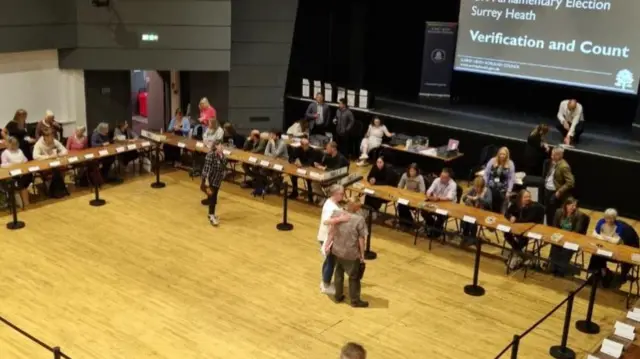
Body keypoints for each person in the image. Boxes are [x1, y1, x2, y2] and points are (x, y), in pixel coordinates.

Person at [328, 199, 369, 308]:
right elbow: (361, 239)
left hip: (337, 250)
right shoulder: (359, 220)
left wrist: (328, 244)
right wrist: (362, 255)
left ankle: (338, 295)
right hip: (351, 253)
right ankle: (355, 301)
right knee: (354, 277)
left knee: (338, 273)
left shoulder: (336, 213)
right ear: (357, 208)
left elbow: (331, 229)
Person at [317, 184, 351, 294]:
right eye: (342, 194)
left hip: (328, 236)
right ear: (335, 194)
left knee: (328, 261)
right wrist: (341, 218)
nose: (343, 195)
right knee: (331, 262)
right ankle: (326, 285)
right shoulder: (330, 207)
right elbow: (326, 221)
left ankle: (324, 281)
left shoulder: (331, 202)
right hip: (327, 238)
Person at [547, 197, 585, 276]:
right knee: (555, 246)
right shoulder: (558, 212)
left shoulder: (579, 215)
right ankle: (553, 267)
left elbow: (577, 231)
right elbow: (554, 227)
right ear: (566, 205)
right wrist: (558, 236)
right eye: (572, 206)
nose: (574, 208)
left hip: (571, 239)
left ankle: (561, 269)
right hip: (559, 236)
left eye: (575, 206)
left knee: (566, 250)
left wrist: (566, 238)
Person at [588, 208, 624, 287]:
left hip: (613, 250)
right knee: (596, 255)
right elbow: (594, 234)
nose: (608, 220)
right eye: (607, 218)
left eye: (611, 218)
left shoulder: (619, 226)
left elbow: (616, 241)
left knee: (598, 257)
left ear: (614, 218)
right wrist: (607, 238)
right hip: (602, 246)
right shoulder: (601, 221)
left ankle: (601, 274)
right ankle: (601, 273)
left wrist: (603, 237)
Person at [504, 190, 539, 269]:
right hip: (515, 228)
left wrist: (515, 220)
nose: (528, 199)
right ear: (520, 198)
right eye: (526, 197)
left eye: (529, 197)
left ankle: (516, 255)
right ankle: (523, 256)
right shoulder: (515, 204)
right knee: (506, 234)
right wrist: (510, 217)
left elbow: (528, 220)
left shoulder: (533, 207)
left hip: (527, 230)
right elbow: (506, 213)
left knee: (522, 240)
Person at [33, 128, 69, 198]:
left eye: (53, 136)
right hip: (45, 165)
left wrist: (59, 154)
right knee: (54, 171)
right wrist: (49, 157)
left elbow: (65, 150)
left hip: (55, 164)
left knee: (62, 168)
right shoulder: (39, 144)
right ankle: (54, 189)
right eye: (50, 137)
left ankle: (58, 188)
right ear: (45, 137)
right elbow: (35, 156)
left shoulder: (54, 141)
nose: (52, 138)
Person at [544, 147, 574, 226]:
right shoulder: (553, 162)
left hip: (555, 192)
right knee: (548, 212)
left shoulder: (564, 166)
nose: (552, 157)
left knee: (553, 213)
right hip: (547, 189)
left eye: (554, 155)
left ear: (560, 155)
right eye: (552, 155)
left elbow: (570, 182)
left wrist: (559, 191)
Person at [424, 168, 457, 238]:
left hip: (448, 206)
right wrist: (429, 195)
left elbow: (449, 198)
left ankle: (436, 232)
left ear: (449, 178)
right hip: (436, 203)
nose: (441, 178)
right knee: (423, 211)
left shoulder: (453, 184)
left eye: (444, 177)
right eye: (441, 176)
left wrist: (438, 198)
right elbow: (429, 190)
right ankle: (432, 225)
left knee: (440, 216)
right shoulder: (437, 180)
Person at [201, 140, 227, 226]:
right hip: (211, 180)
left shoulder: (222, 155)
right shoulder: (210, 155)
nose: (222, 147)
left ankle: (210, 214)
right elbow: (206, 168)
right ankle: (212, 216)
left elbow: (223, 166)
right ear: (215, 146)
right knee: (213, 198)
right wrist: (206, 181)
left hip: (218, 180)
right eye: (221, 145)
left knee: (213, 197)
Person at [1, 137, 32, 208]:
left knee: (24, 181)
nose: (14, 146)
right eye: (12, 145)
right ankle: (23, 203)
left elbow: (25, 160)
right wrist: (12, 165)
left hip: (22, 172)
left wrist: (21, 165)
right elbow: (3, 165)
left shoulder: (19, 151)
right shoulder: (5, 153)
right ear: (8, 144)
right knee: (21, 184)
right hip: (12, 174)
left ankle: (26, 204)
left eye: (15, 145)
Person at [483, 146, 515, 213]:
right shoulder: (492, 160)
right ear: (498, 154)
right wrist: (485, 186)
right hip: (490, 187)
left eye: (504, 154)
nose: (502, 156)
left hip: (502, 189)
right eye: (500, 154)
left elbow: (511, 178)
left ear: (507, 155)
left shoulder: (510, 164)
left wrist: (509, 191)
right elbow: (486, 174)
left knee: (500, 209)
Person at [461, 176, 492, 243]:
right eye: (475, 187)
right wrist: (467, 198)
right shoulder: (473, 189)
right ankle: (465, 235)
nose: (476, 189)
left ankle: (472, 238)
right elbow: (463, 198)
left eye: (478, 187)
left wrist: (479, 198)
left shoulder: (487, 191)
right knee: (465, 218)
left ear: (482, 187)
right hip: (474, 211)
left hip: (484, 212)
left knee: (473, 220)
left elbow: (488, 203)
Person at [396, 163, 426, 228]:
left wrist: (416, 197)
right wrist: (401, 193)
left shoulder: (420, 178)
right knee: (400, 205)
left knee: (405, 206)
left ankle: (409, 223)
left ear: (417, 171)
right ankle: (403, 222)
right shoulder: (405, 175)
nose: (411, 173)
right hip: (407, 196)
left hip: (416, 199)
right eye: (410, 171)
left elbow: (422, 191)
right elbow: (399, 186)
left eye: (413, 171)